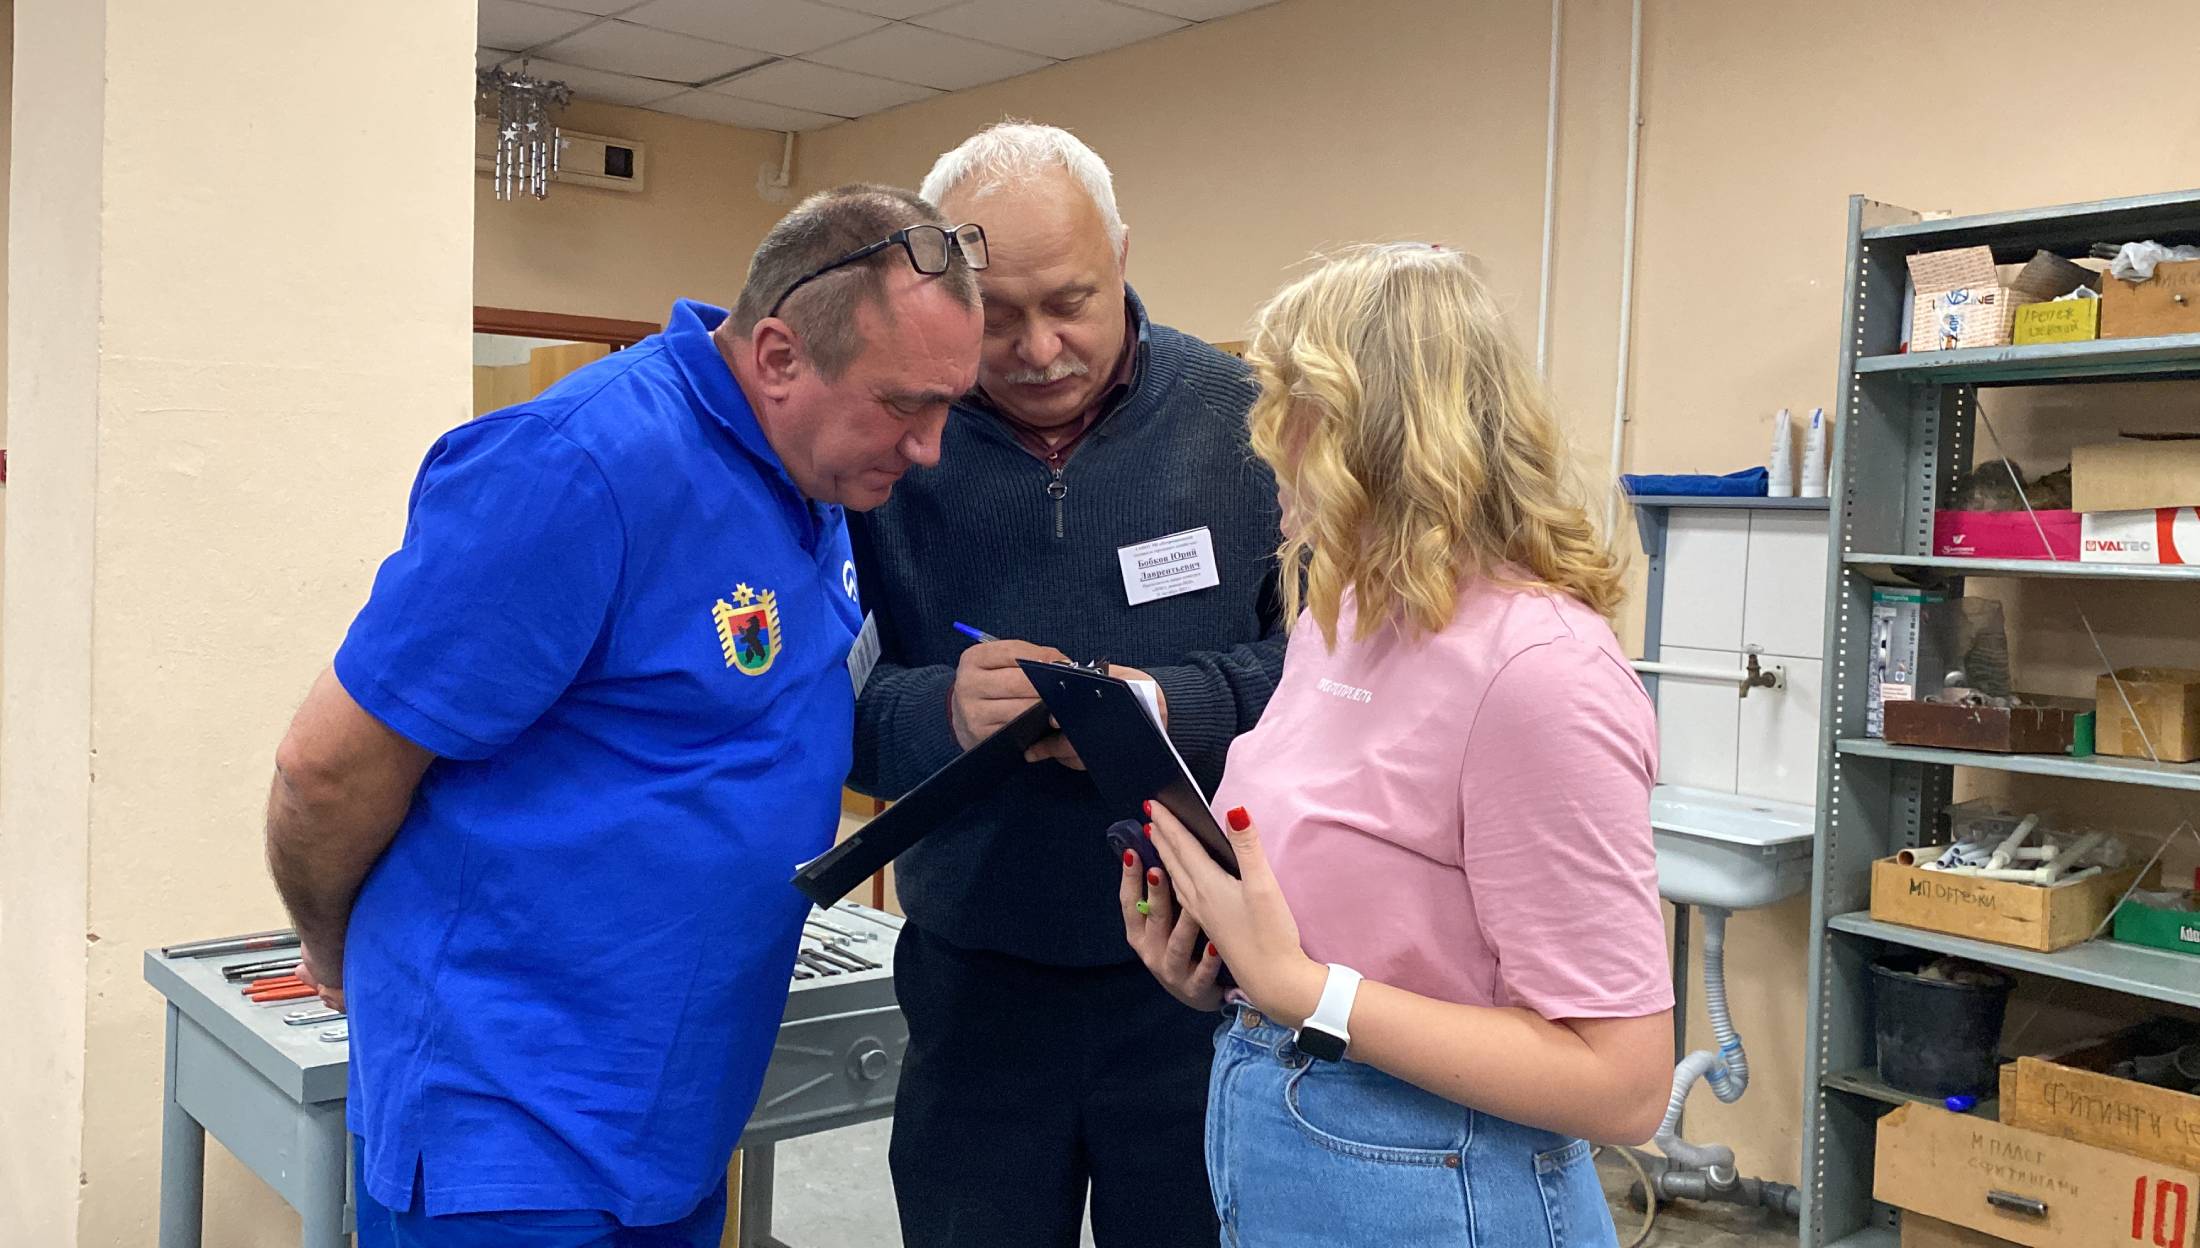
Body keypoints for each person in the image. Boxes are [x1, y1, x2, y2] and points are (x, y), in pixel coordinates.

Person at [261, 184, 982, 1246]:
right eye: (903, 405)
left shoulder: (812, 480)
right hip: (509, 1125)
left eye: (948, 406)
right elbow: (325, 770)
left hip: (673, 1110)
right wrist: (332, 949)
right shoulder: (575, 466)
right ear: (778, 356)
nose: (929, 448)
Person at [1122, 243, 1676, 1246]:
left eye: (1284, 407)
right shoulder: (1340, 616)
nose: (1261, 447)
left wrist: (1306, 992)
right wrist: (1231, 964)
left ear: (1365, 431)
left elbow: (1623, 1082)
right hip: (1286, 1141)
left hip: (1443, 1187)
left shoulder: (1538, 672)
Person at [847, 122, 1284, 1248]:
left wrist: (1172, 706)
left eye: (1071, 302)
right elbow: (806, 710)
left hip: (1206, 977)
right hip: (974, 983)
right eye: (996, 316)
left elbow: (1333, 680)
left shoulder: (1252, 421)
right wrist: (940, 711)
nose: (1039, 348)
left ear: (1122, 255)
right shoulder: (888, 443)